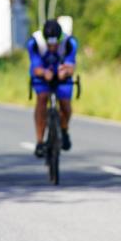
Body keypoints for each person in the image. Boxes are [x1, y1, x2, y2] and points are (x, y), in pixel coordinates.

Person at [28, 18, 77, 157]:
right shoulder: (35, 43)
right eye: (50, 44)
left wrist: (65, 72)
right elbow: (36, 66)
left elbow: (71, 66)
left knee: (65, 104)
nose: (53, 47)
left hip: (61, 74)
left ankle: (64, 130)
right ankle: (39, 141)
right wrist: (44, 73)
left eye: (56, 43)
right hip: (43, 74)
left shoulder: (69, 43)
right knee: (42, 99)